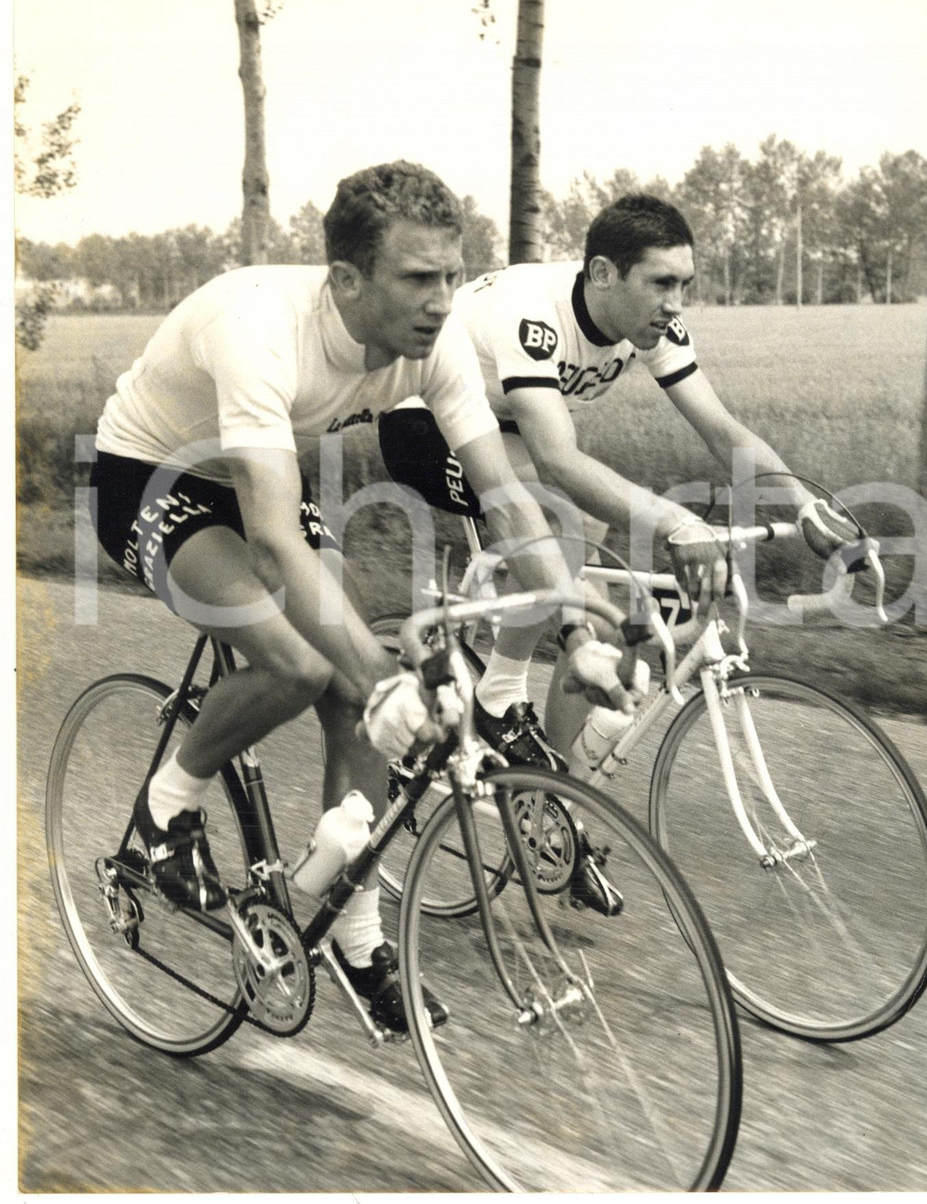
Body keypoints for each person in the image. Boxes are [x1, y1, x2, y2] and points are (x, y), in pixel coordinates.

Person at [88, 160, 638, 1033]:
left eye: (453, 275)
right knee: (311, 660)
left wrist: (574, 625)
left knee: (355, 673)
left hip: (250, 468)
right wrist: (382, 677)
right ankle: (166, 810)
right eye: (419, 277)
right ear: (346, 279)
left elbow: (504, 493)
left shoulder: (437, 342)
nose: (443, 298)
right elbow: (272, 534)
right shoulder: (260, 327)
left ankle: (355, 935)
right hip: (149, 476)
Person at [380, 192, 858, 914]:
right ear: (604, 274)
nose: (676, 301)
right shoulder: (532, 312)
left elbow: (723, 432)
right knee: (565, 517)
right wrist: (672, 522)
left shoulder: (651, 323)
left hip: (499, 424)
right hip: (423, 421)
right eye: (662, 283)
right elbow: (560, 459)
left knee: (595, 574)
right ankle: (500, 694)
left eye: (684, 284)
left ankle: (554, 808)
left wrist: (805, 502)